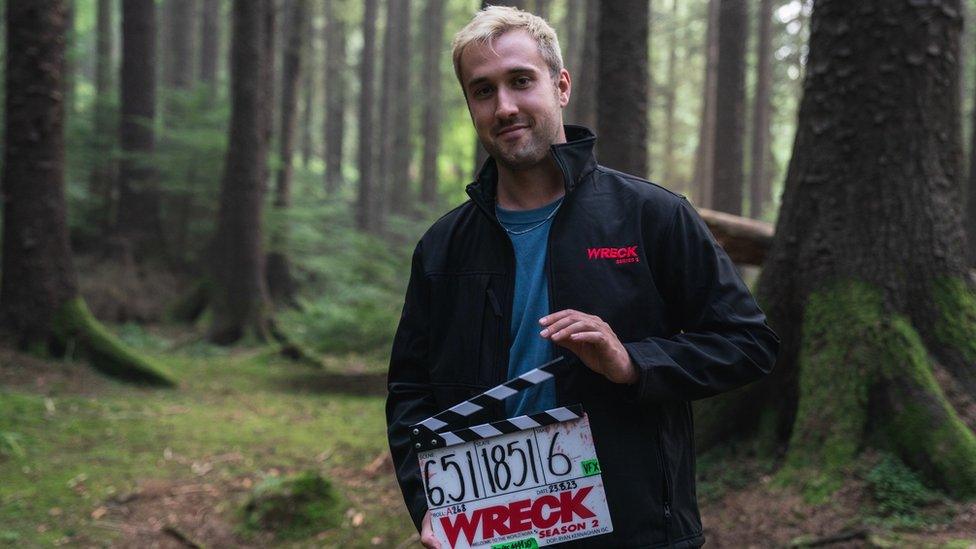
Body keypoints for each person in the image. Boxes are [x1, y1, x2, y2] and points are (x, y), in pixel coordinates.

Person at [386, 6, 779, 548]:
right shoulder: (442, 246)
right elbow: (411, 391)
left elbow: (748, 343)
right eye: (483, 91)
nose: (504, 106)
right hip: (489, 526)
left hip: (632, 525)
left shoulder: (651, 215)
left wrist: (632, 363)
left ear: (560, 85)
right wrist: (428, 501)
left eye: (521, 81)